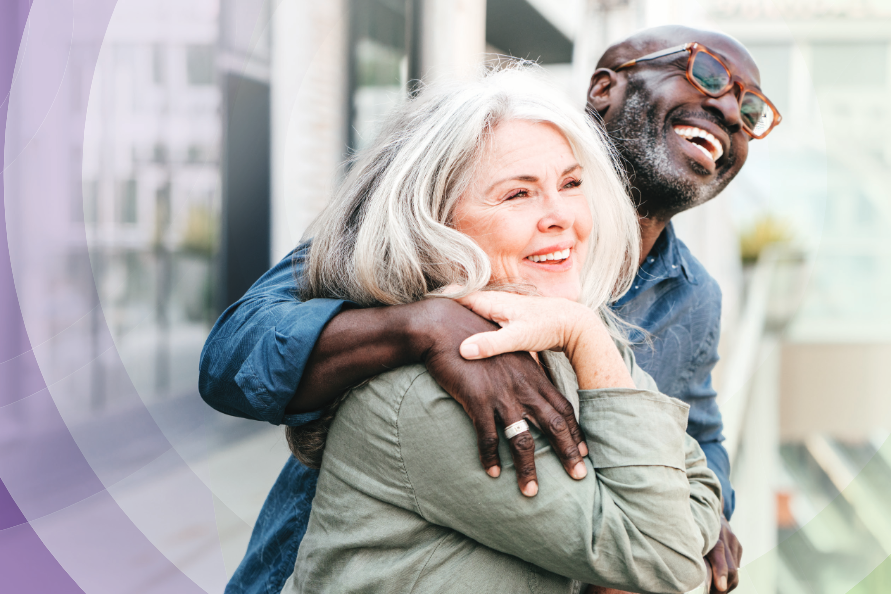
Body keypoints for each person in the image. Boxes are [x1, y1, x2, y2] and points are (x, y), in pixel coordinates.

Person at [200, 25, 777, 593]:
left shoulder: (692, 295)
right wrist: (419, 327)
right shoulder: (403, 249)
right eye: (705, 72)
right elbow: (232, 358)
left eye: (751, 111)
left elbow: (698, 442)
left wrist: (709, 517)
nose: (729, 110)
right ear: (605, 89)